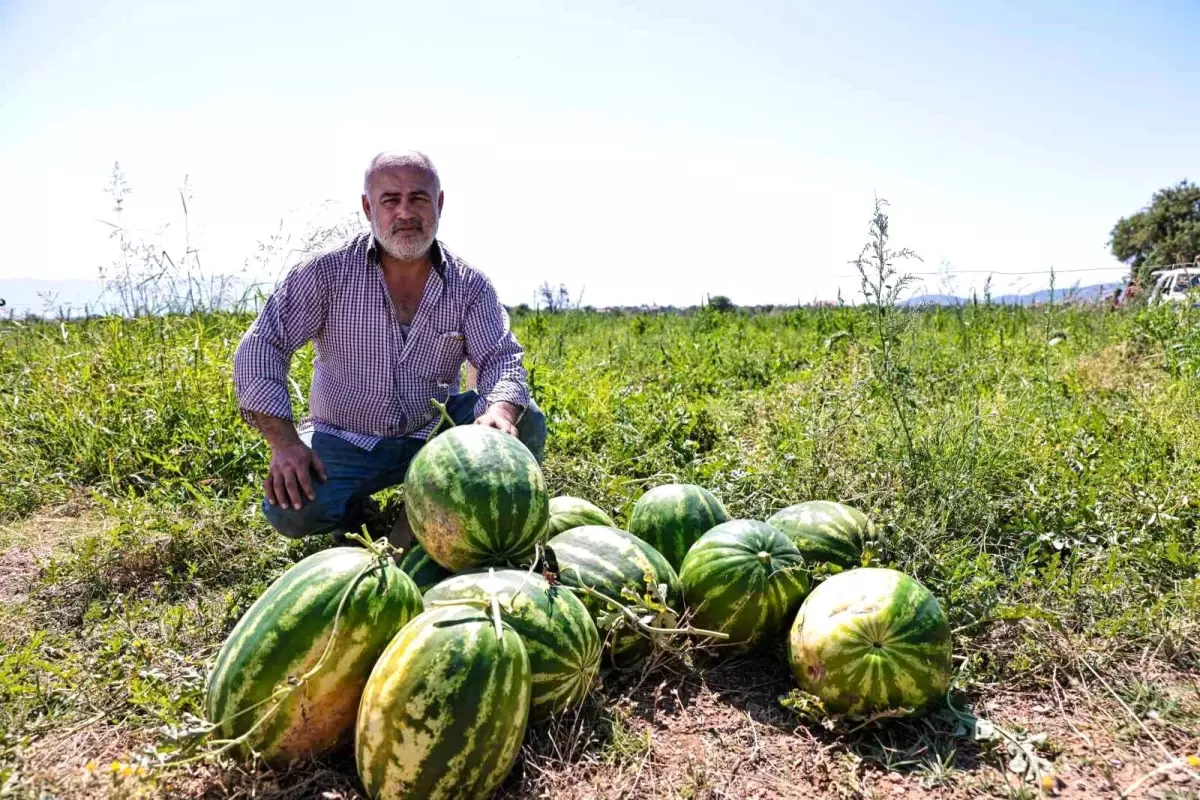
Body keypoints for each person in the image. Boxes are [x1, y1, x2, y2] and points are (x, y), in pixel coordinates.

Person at [232, 151, 545, 545]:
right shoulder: (326, 273)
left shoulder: (469, 286)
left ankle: (446, 521)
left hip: (436, 435)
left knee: (525, 418)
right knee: (291, 509)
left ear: (439, 204)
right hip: (345, 440)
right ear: (367, 207)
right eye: (390, 200)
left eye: (418, 198)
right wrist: (286, 443)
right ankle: (354, 513)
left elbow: (500, 358)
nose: (405, 212)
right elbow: (264, 345)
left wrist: (498, 410)